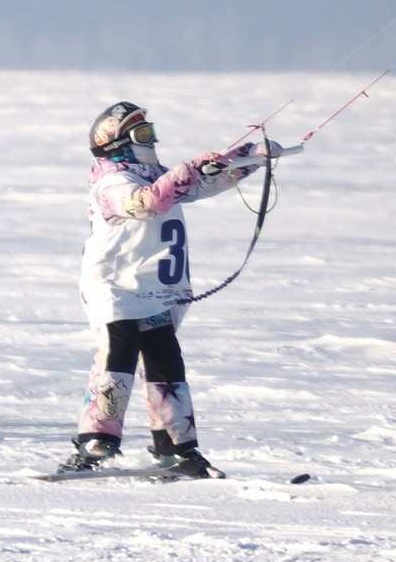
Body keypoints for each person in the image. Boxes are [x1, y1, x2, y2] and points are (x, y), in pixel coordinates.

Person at [58, 101, 266, 478]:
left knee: (165, 361)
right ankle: (96, 440)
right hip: (115, 287)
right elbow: (146, 203)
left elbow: (200, 184)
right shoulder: (113, 182)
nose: (149, 141)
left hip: (154, 289)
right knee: (117, 353)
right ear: (116, 144)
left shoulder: (154, 174)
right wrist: (187, 171)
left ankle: (175, 448)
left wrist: (249, 158)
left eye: (150, 133)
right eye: (140, 135)